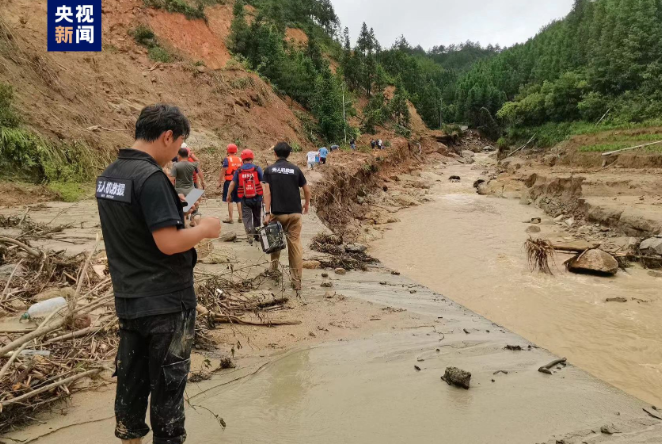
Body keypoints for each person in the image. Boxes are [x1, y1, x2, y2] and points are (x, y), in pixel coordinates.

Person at [96, 104, 221, 444]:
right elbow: (168, 243)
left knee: (131, 392)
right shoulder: (151, 177)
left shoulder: (110, 175)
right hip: (166, 303)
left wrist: (176, 209)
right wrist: (205, 229)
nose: (175, 149)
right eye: (177, 141)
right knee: (168, 400)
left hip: (129, 300)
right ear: (168, 136)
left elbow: (135, 226)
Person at [263, 142, 311, 291]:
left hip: (278, 213)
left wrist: (266, 213)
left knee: (275, 241)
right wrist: (307, 204)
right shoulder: (296, 170)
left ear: (275, 154)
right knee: (295, 244)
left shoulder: (269, 170)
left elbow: (267, 193)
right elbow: (306, 190)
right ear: (289, 154)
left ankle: (274, 269)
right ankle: (296, 282)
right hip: (295, 213)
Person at [227, 149, 264, 245]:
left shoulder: (239, 170)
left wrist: (228, 195)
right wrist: (265, 196)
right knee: (257, 216)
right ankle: (257, 235)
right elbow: (263, 183)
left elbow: (232, 183)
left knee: (246, 217)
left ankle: (249, 233)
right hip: (257, 197)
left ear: (242, 159)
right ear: (252, 158)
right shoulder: (257, 169)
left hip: (245, 198)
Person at [218, 144, 243, 224]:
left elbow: (224, 170)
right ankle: (240, 217)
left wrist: (219, 181)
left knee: (230, 200)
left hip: (229, 181)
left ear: (228, 151)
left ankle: (231, 218)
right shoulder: (240, 159)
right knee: (239, 200)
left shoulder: (227, 159)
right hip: (239, 182)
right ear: (236, 151)